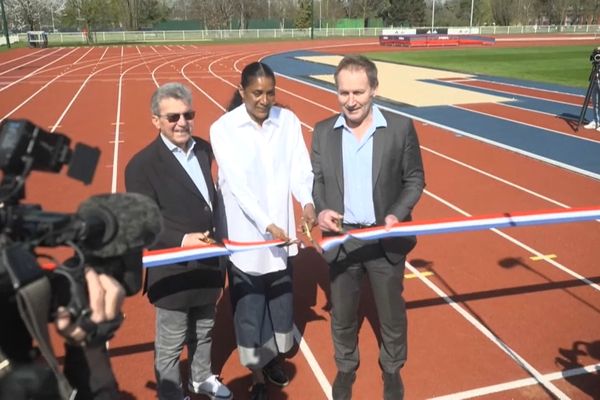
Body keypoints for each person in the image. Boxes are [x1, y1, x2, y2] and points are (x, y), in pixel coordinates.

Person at [311, 55, 425, 400]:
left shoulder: (401, 128)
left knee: (390, 312)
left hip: (383, 239)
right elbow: (316, 182)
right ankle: (346, 367)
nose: (351, 100)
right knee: (343, 314)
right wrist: (320, 209)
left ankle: (392, 369)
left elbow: (415, 178)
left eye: (358, 92)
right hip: (343, 241)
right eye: (343, 92)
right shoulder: (321, 133)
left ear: (374, 89)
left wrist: (396, 214)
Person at [209, 61, 316, 400]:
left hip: (281, 237)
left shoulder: (287, 121)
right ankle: (256, 374)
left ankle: (271, 360)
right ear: (242, 92)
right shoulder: (224, 128)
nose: (265, 100)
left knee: (280, 304)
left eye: (271, 93)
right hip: (246, 239)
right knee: (250, 308)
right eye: (257, 93)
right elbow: (238, 187)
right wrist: (266, 223)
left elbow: (300, 167)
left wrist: (308, 203)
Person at [125, 82, 232, 400]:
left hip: (208, 264)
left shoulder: (203, 148)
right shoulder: (141, 166)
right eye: (172, 117)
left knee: (204, 329)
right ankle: (171, 393)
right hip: (173, 270)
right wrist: (180, 239)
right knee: (170, 342)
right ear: (155, 120)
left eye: (188, 114)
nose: (182, 122)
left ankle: (200, 378)